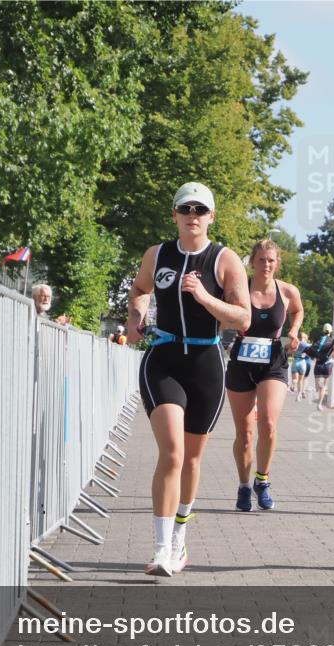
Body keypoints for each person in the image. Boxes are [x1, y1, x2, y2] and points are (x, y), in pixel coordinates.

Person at [125, 181, 250, 576]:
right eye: (185, 209)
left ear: (211, 216)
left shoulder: (225, 259)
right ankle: (161, 549)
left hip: (206, 362)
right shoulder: (157, 254)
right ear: (175, 215)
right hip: (162, 358)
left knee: (193, 460)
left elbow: (243, 317)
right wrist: (136, 315)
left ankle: (179, 538)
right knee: (173, 453)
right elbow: (140, 289)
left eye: (200, 210)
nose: (192, 216)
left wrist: (204, 297)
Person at [225, 239, 304, 511]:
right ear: (252, 262)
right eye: (261, 260)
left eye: (271, 260)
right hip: (242, 361)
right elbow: (223, 313)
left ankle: (263, 479)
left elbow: (297, 310)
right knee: (245, 433)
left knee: (268, 422)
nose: (266, 265)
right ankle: (245, 486)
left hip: (273, 360)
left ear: (277, 263)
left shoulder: (287, 291)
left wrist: (293, 331)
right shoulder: (239, 289)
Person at [312, 323, 334, 411]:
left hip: (318, 364)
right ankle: (319, 404)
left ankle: (317, 388)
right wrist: (331, 357)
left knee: (317, 385)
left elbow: (312, 351)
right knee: (324, 386)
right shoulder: (333, 340)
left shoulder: (317, 339)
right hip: (327, 364)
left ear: (323, 330)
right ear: (331, 331)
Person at [290, 332, 312, 399]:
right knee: (301, 380)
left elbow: (290, 350)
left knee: (295, 379)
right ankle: (299, 394)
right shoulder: (306, 345)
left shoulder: (295, 343)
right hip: (303, 362)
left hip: (295, 361)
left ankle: (293, 386)